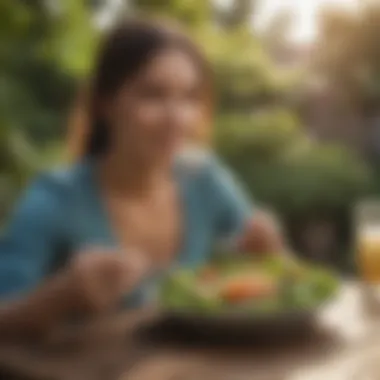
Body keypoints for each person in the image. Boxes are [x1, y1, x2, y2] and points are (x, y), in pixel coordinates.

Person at [0, 19, 285, 339]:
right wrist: (57, 299)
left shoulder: (206, 179)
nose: (176, 118)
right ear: (104, 104)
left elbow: (275, 278)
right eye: (152, 95)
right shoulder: (54, 199)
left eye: (189, 97)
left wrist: (270, 256)